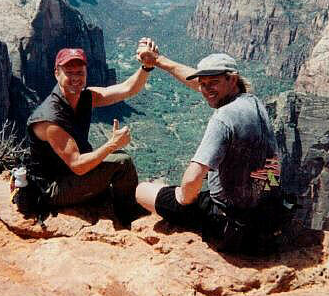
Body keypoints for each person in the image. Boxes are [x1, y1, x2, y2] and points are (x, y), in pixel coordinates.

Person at [135, 40, 284, 252]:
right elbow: (270, 170)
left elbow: (191, 181)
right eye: (202, 84)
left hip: (229, 225)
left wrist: (181, 199)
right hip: (265, 218)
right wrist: (158, 61)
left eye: (212, 83)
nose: (205, 90)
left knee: (142, 191)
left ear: (231, 80)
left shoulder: (223, 118)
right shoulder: (254, 102)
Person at [26, 43, 158, 223]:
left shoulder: (84, 97)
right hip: (51, 188)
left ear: (86, 73)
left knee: (115, 160)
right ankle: (128, 217)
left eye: (79, 72)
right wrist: (112, 144)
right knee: (121, 161)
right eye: (69, 72)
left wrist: (146, 67)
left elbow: (127, 89)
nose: (75, 78)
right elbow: (78, 165)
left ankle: (118, 207)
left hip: (68, 175)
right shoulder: (50, 119)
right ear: (57, 73)